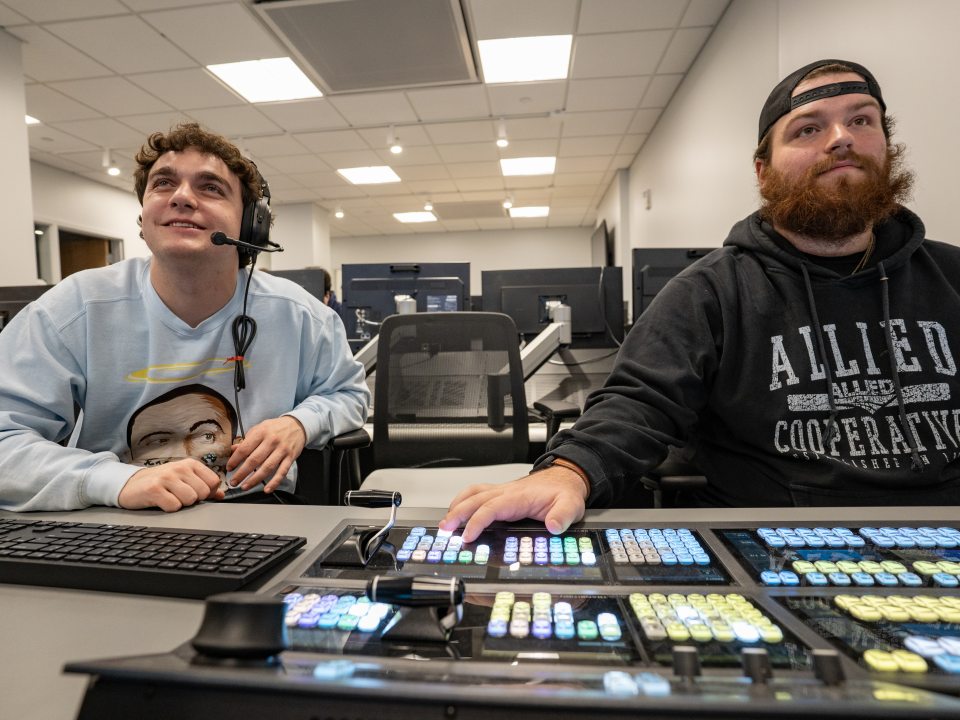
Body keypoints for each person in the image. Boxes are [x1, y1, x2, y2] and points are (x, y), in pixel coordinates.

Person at [442, 58, 960, 542]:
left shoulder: (951, 277)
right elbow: (639, 402)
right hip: (773, 546)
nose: (842, 139)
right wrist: (570, 471)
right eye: (809, 128)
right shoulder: (709, 290)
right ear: (764, 171)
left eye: (862, 121)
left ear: (886, 147)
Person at [0, 123, 370, 512]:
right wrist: (115, 479)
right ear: (143, 216)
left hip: (260, 512)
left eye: (210, 187)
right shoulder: (76, 309)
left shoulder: (300, 315)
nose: (181, 197)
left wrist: (299, 423)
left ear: (250, 224)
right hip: (116, 514)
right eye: (163, 184)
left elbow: (347, 394)